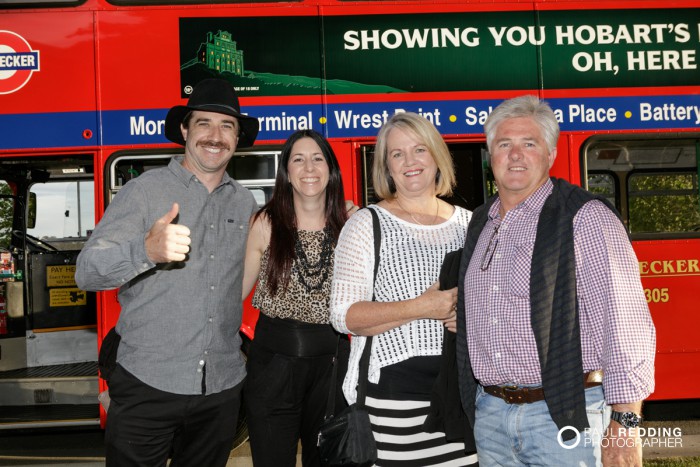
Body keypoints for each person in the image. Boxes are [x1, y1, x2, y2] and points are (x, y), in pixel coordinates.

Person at [455, 95, 656, 466]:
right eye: (504, 144)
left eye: (528, 144)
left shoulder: (584, 218)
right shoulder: (481, 223)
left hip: (565, 418)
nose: (515, 155)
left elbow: (625, 326)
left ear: (550, 154)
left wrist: (625, 422)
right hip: (492, 416)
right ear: (489, 156)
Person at [75, 78, 259, 466]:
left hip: (221, 389)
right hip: (147, 385)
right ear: (184, 130)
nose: (215, 135)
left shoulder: (246, 204)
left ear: (237, 137)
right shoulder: (144, 191)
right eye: (204, 123)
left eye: (227, 126)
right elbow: (87, 272)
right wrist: (145, 250)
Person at [330, 112, 478, 466]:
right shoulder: (366, 225)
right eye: (397, 154)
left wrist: (468, 318)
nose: (410, 162)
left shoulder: (471, 224)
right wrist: (423, 306)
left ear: (437, 157)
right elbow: (343, 316)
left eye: (419, 150)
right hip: (395, 401)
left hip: (462, 394)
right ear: (387, 168)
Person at [241, 129, 354, 466]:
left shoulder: (352, 222)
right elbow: (235, 295)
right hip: (274, 366)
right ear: (286, 171)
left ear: (331, 169)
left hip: (333, 369)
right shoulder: (265, 223)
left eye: (318, 158)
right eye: (299, 159)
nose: (309, 168)